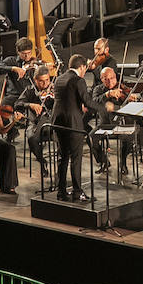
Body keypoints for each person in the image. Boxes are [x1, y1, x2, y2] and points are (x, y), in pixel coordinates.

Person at [52, 54, 91, 201]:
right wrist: (102, 108)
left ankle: (61, 191)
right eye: (84, 69)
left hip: (58, 122)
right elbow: (87, 101)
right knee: (76, 158)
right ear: (81, 67)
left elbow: (67, 99)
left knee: (63, 158)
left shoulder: (59, 79)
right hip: (73, 124)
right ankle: (77, 191)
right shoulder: (78, 80)